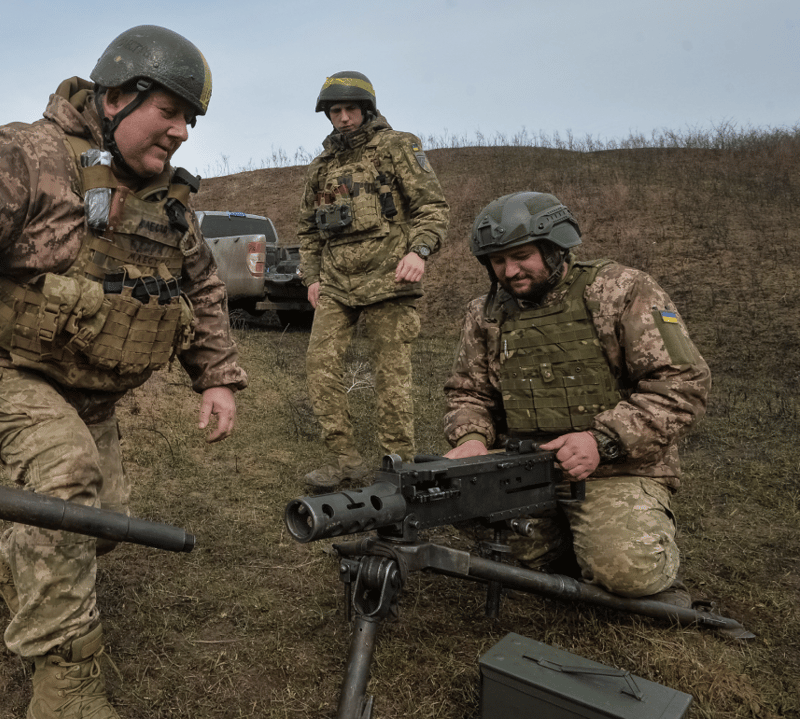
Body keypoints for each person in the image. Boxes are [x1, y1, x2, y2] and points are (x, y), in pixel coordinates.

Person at [0, 25, 247, 718]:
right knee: (67, 483)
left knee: (103, 527)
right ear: (122, 95)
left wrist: (215, 375)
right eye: (172, 111)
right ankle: (66, 690)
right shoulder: (28, 157)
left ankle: (13, 562)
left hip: (86, 389)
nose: (184, 131)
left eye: (192, 119)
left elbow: (203, 289)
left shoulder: (166, 201)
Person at [442, 191, 709, 605]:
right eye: (498, 261)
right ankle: (565, 544)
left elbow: (681, 384)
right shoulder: (485, 313)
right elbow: (468, 391)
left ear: (554, 247)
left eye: (522, 256)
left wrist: (601, 441)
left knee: (628, 572)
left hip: (615, 469)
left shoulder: (620, 290)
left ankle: (620, 547)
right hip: (523, 468)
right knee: (484, 532)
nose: (510, 271)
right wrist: (471, 440)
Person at [297, 71, 451, 490]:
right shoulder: (322, 167)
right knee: (320, 369)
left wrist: (418, 252)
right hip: (336, 284)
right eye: (335, 111)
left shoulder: (398, 146)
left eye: (350, 109)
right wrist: (311, 277)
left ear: (367, 110)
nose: (343, 118)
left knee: (391, 375)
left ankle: (397, 465)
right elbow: (308, 229)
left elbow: (433, 207)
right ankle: (345, 460)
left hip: (390, 279)